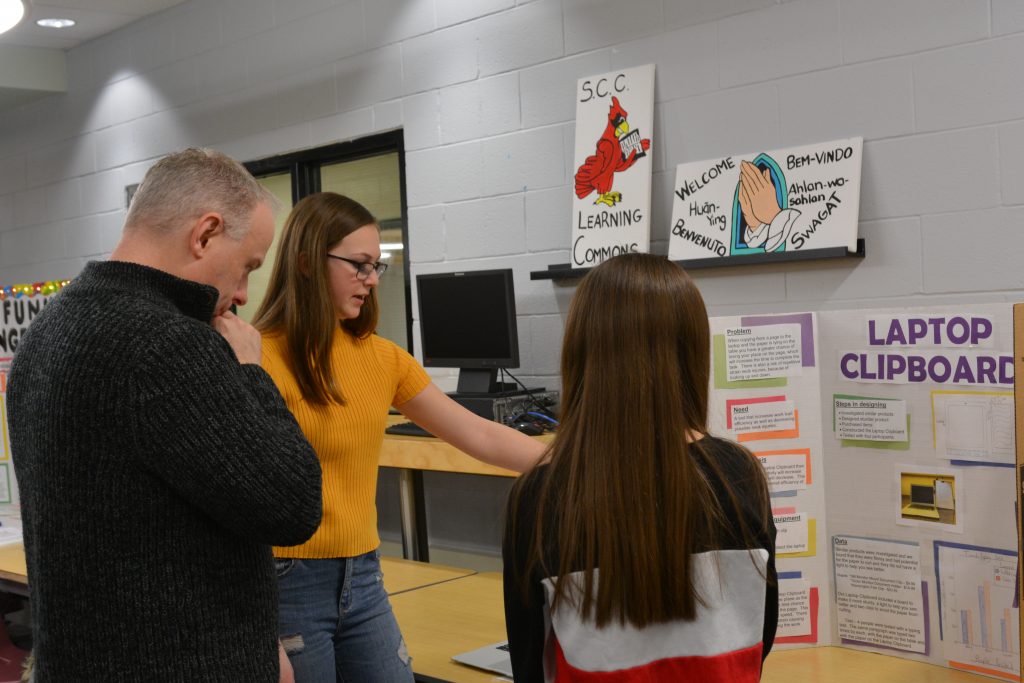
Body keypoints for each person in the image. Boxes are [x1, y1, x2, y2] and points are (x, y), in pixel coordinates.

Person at [6, 148, 324, 682]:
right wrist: (251, 372)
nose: (244, 294)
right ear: (205, 234)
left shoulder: (48, 328)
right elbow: (292, 505)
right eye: (247, 266)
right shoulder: (167, 344)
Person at [252, 191, 547, 683]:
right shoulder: (257, 355)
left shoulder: (383, 358)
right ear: (305, 262)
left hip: (363, 576)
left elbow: (477, 434)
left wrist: (572, 469)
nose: (371, 280)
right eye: (359, 265)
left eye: (377, 266)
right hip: (287, 581)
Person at [503, 253, 778, 682]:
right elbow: (762, 631)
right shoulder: (738, 473)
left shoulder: (540, 496)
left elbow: (528, 661)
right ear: (691, 352)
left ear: (582, 354)